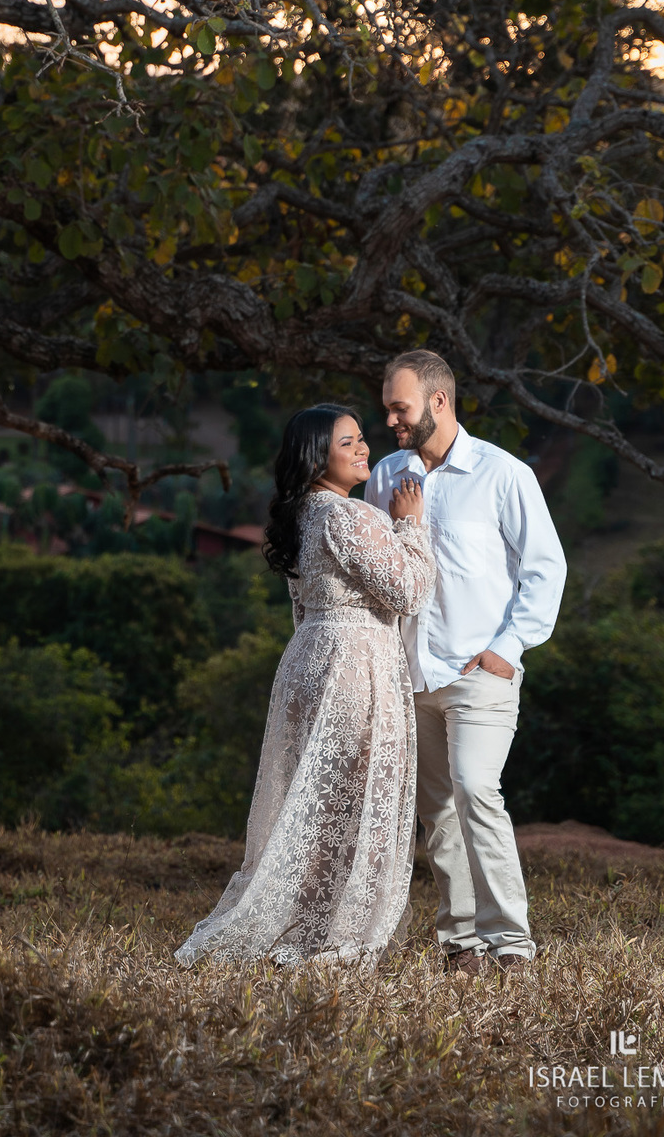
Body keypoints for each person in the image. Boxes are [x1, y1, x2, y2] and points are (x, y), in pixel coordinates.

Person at [175, 404, 435, 967]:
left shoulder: (304, 518)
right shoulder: (353, 518)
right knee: (356, 796)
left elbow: (302, 607)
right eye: (349, 443)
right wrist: (410, 525)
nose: (364, 448)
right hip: (357, 661)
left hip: (309, 659)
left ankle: (303, 915)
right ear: (319, 457)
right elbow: (410, 593)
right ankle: (334, 926)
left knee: (314, 798)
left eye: (362, 438)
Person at [365, 350, 567, 976]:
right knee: (436, 810)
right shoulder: (388, 477)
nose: (392, 422)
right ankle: (460, 941)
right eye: (388, 410)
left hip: (480, 673)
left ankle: (511, 943)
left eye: (400, 408)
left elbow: (545, 569)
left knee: (477, 790)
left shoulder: (504, 475)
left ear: (439, 401)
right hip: (410, 674)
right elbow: (381, 570)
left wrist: (506, 652)